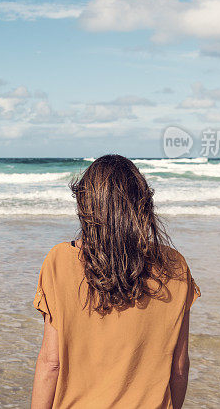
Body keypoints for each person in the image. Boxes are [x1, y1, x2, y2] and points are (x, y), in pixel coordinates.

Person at [30, 155, 200, 409]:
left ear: (85, 205)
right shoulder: (174, 266)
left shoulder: (59, 261)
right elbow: (179, 368)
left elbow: (51, 363)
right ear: (143, 205)